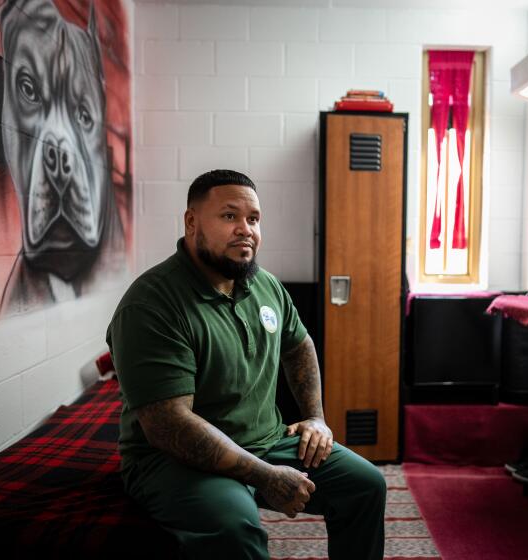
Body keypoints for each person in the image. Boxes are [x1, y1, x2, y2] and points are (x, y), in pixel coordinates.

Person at [106, 169, 386, 559]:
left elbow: (299, 345)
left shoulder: (265, 285)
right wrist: (265, 476)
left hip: (268, 442)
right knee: (235, 529)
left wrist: (315, 417)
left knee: (367, 484)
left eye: (253, 219)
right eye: (229, 216)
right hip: (176, 461)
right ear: (191, 222)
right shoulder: (152, 305)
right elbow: (169, 425)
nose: (245, 230)